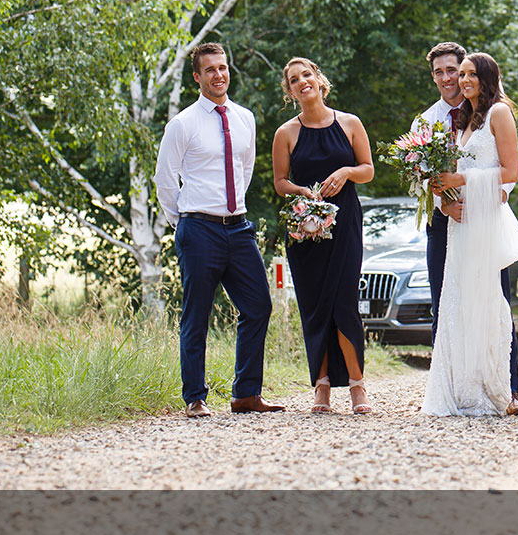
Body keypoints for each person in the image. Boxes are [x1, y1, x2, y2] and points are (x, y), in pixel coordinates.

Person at [153, 42, 284, 418]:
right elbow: (165, 180)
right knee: (197, 314)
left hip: (238, 228)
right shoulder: (183, 124)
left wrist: (231, 210)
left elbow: (244, 169)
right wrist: (185, 223)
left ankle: (246, 394)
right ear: (197, 76)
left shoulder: (244, 117)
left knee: (258, 306)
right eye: (210, 69)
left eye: (223, 68)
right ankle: (195, 397)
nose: (218, 75)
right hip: (198, 229)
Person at [415, 42, 518, 416]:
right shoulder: (432, 121)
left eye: (461, 71)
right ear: (434, 77)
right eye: (446, 73)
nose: (454, 79)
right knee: (451, 302)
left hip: (484, 218)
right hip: (449, 221)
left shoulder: (493, 113)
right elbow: (422, 181)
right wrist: (444, 201)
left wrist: (487, 194)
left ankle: (506, 390)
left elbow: (507, 170)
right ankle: (457, 385)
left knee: (493, 299)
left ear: (483, 76)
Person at [272, 57, 375, 414]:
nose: (303, 82)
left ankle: (358, 386)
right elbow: (280, 182)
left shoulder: (349, 123)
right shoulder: (285, 133)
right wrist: (303, 193)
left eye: (307, 75)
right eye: (294, 80)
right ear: (290, 91)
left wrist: (346, 171)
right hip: (306, 230)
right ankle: (322, 386)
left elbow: (368, 170)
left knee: (344, 302)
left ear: (319, 79)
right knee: (314, 307)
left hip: (345, 226)